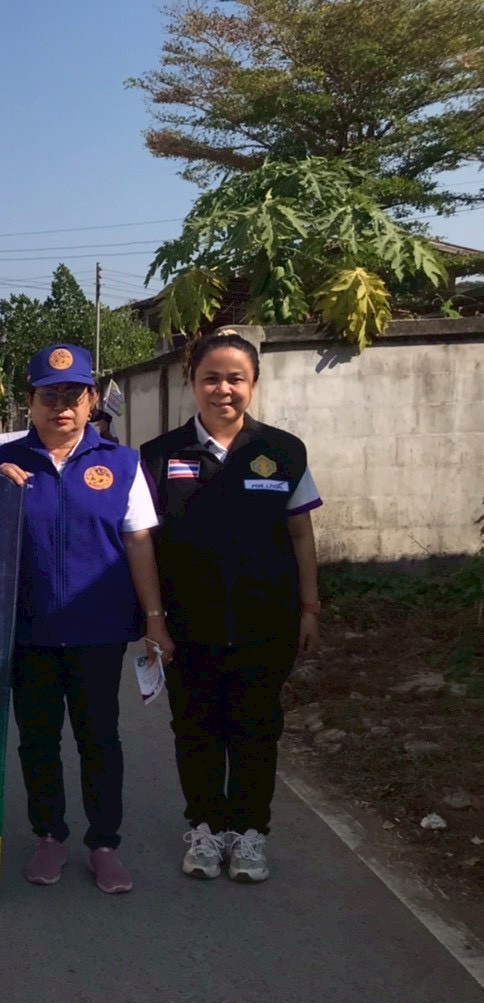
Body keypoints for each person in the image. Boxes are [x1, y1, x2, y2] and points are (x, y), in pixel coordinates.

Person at [0, 343, 172, 894]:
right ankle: (49, 835)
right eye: (50, 395)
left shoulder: (123, 464)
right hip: (28, 632)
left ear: (91, 400)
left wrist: (154, 619)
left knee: (100, 738)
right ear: (30, 401)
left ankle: (104, 842)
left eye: (73, 394)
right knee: (37, 740)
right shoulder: (1, 465)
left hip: (98, 631)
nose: (61, 406)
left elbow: (138, 543)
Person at [140, 329, 322, 884]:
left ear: (253, 384)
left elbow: (301, 535)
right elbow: (143, 542)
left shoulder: (283, 452)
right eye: (211, 378)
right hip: (187, 626)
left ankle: (249, 833)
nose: (223, 389)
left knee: (255, 729)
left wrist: (310, 608)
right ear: (192, 383)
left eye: (236, 379)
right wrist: (153, 622)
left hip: (266, 623)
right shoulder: (158, 455)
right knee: (195, 729)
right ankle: (205, 827)